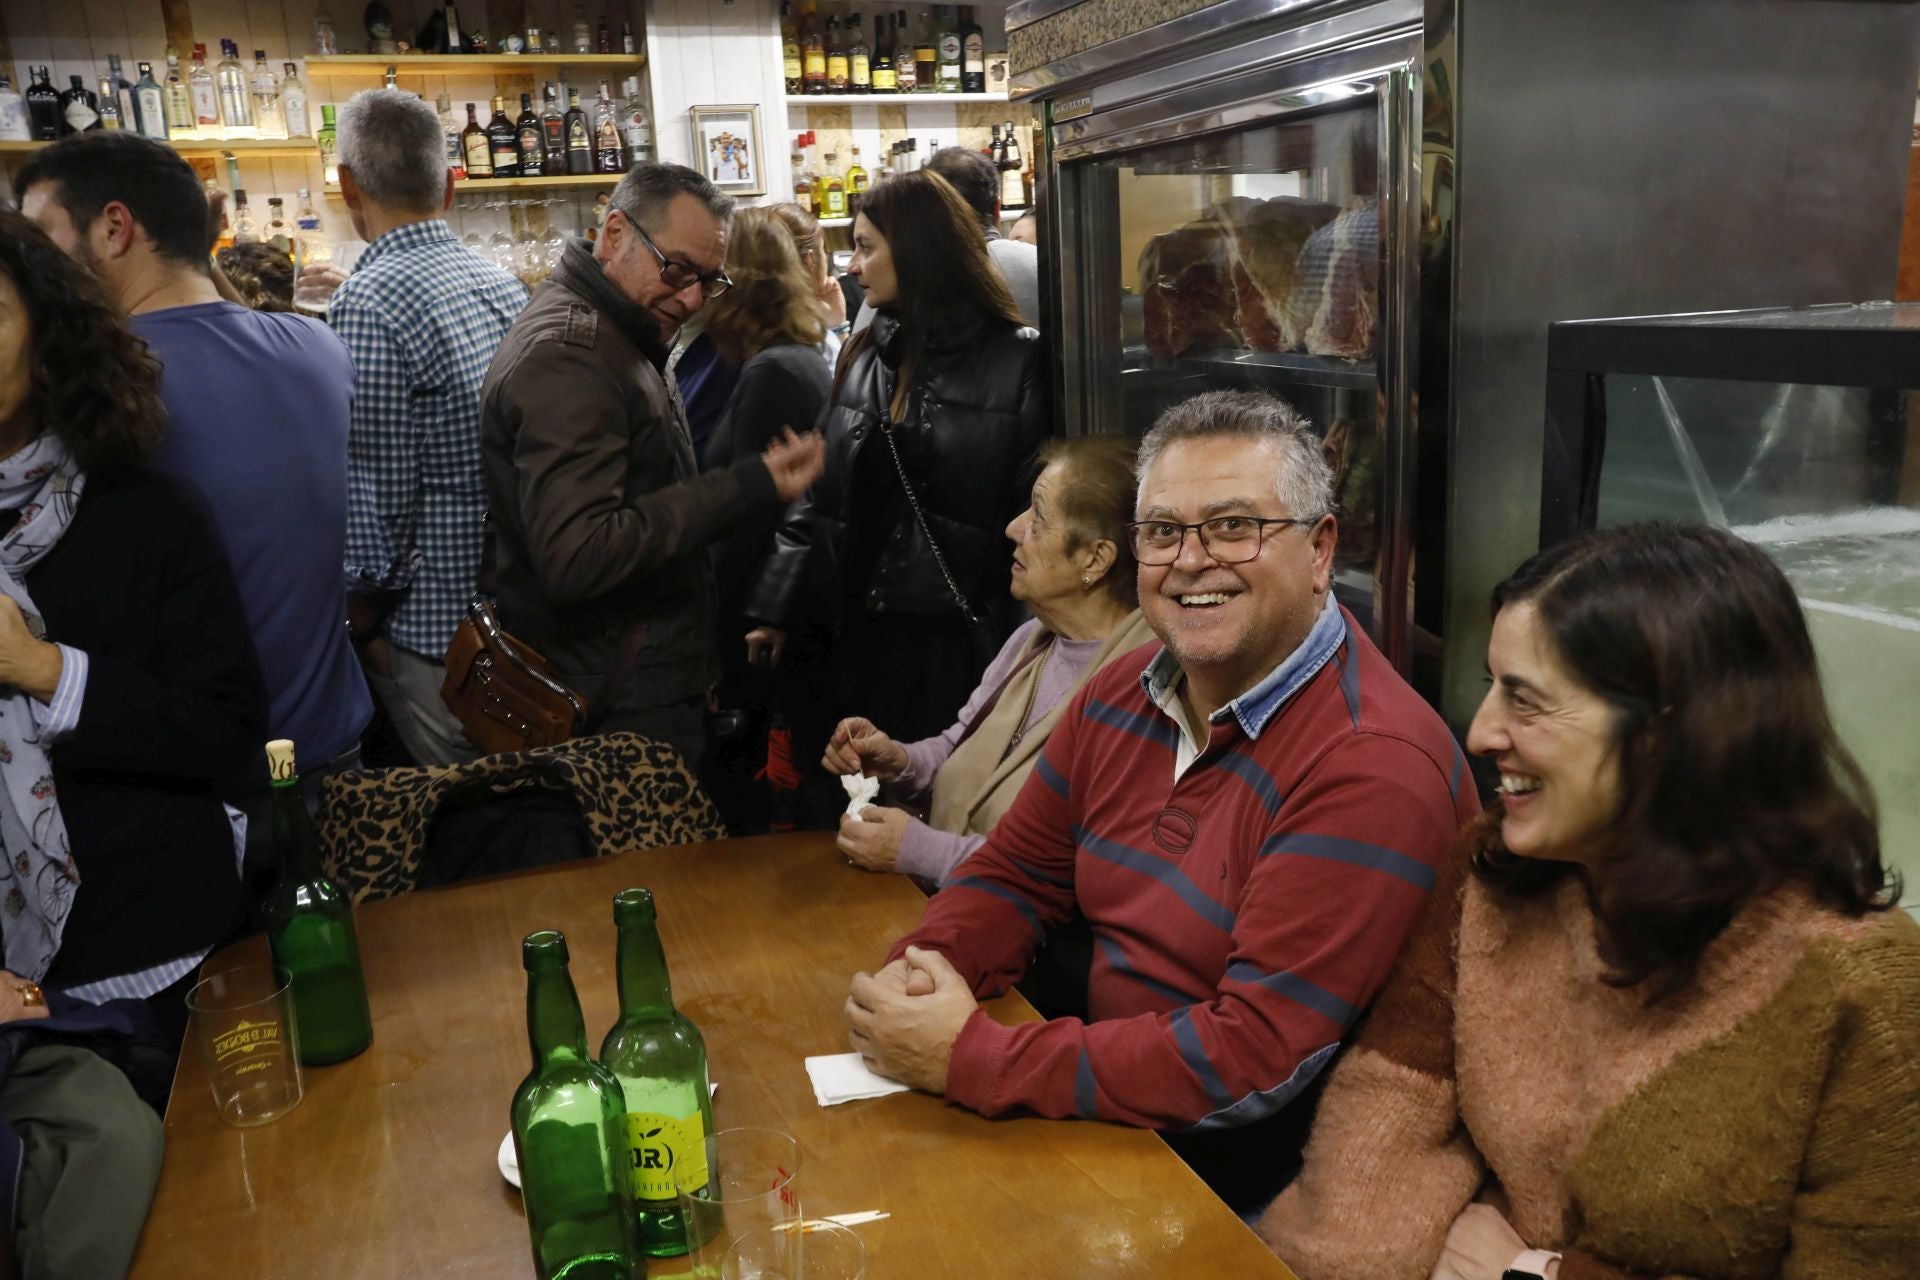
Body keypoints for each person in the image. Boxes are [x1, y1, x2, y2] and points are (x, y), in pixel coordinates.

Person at [841, 390, 1478, 1213]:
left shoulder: (1372, 764)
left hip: (1256, 1180)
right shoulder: (1124, 691)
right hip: (1111, 1120)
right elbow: (1016, 873)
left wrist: (974, 1056)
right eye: (1164, 532)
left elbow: (1250, 1064)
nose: (1191, 560)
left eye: (1235, 526)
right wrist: (926, 974)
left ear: (1321, 551)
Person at [1258, 522, 1920, 1280]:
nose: (1481, 733)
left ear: (1672, 733)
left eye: (1528, 702)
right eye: (1491, 687)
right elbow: (1391, 1108)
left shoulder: (1866, 993)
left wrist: (1538, 1276)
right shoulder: (1494, 870)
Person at [16, 132, 369, 859]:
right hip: (334, 759)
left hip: (197, 794)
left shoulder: (100, 398)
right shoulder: (319, 352)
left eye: (40, 237)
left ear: (115, 228)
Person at [0, 212, 265, 1076]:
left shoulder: (140, 512)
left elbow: (229, 734)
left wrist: (49, 673)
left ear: (47, 332)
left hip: (150, 957)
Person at [479, 163, 824, 769]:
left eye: (709, 281)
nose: (691, 298)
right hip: (613, 708)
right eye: (677, 269)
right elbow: (579, 554)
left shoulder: (614, 329)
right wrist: (743, 484)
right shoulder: (574, 353)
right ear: (614, 234)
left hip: (625, 688)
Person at [743, 170, 1047, 770]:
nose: (851, 266)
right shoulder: (865, 354)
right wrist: (775, 604)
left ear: (915, 249)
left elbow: (1036, 512)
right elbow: (819, 492)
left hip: (958, 644)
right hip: (855, 634)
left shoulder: (1019, 358)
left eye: (865, 246)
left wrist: (1032, 648)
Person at [825, 435, 1154, 888]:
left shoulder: (1142, 688)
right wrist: (897, 760)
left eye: (1038, 519)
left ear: (1095, 559)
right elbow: (958, 749)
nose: (1013, 528)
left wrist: (921, 850)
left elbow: (1079, 871)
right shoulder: (1032, 641)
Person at [331, 88, 530, 767]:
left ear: (347, 186)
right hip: (513, 608)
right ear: (450, 185)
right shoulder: (501, 284)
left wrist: (365, 628)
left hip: (430, 630)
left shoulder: (368, 298)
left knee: (461, 835)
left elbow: (377, 488)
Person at [852, 146, 1038, 330]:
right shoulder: (1036, 261)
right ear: (997, 208)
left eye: (866, 247)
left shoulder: (902, 283)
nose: (853, 266)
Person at [766, 201, 851, 368]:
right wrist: (839, 328)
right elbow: (850, 385)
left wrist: (834, 322)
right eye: (824, 250)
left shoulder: (752, 326)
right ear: (810, 259)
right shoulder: (816, 342)